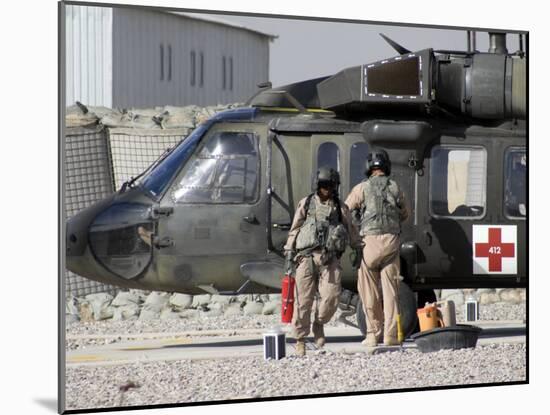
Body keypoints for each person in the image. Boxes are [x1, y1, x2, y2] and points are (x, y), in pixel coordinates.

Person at [284, 166, 360, 356]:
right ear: (317, 186)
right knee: (303, 300)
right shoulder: (307, 203)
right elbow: (295, 228)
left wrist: (359, 248)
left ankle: (319, 323)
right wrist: (288, 253)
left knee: (331, 298)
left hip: (330, 258)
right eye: (323, 185)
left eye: (330, 185)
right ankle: (300, 339)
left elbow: (351, 231)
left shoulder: (341, 208)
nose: (326, 189)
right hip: (306, 257)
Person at [345, 149, 410, 347]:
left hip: (369, 245)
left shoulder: (361, 188)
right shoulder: (395, 187)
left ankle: (373, 334)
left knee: (368, 292)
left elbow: (345, 210)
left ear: (369, 168)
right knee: (391, 293)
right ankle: (390, 336)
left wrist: (356, 228)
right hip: (391, 245)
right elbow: (406, 213)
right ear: (386, 166)